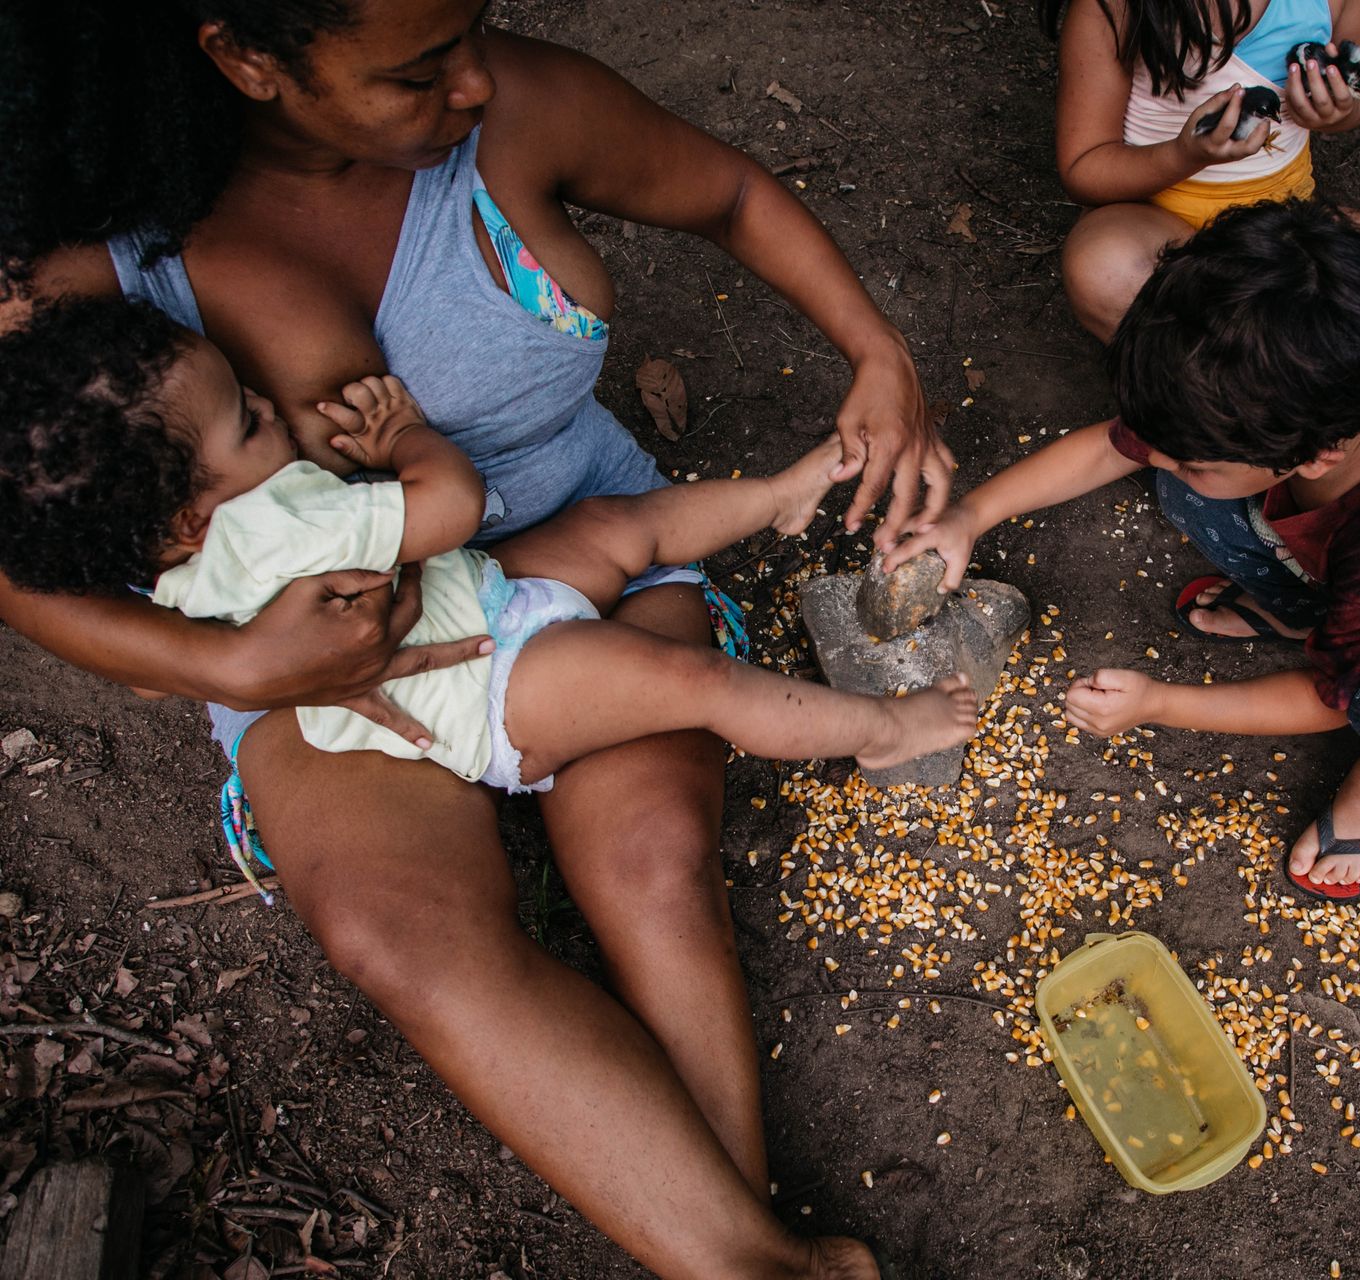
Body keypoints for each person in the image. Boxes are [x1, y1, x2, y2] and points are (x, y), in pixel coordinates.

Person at [0, 2, 945, 1274]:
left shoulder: (519, 109)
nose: (474, 80)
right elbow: (22, 553)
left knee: (652, 857)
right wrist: (232, 664)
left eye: (473, 28)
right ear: (243, 57)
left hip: (586, 544)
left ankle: (748, 1258)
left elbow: (728, 193)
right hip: (315, 668)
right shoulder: (72, 258)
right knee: (397, 932)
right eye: (416, 70)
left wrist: (876, 348)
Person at [0, 300, 978, 805]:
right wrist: (404, 439)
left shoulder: (184, 582)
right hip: (494, 689)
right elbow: (451, 507)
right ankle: (881, 727)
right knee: (691, 672)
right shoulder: (267, 521)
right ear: (190, 517)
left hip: (484, 613)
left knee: (614, 531)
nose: (267, 407)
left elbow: (149, 681)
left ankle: (779, 500)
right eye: (246, 421)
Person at [889, 201, 1360, 901]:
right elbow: (1115, 447)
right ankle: (1306, 611)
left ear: (1317, 455)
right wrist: (970, 516)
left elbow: (1328, 699)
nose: (1159, 459)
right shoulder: (1294, 394)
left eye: (1195, 456)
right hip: (1358, 563)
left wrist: (1159, 703)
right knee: (1193, 491)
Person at [1044, 0, 1360, 360]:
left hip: (1288, 227)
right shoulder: (1112, 8)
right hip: (1157, 222)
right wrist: (1183, 155)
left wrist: (1342, 110)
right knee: (1104, 268)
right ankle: (1310, 366)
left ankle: (1250, 374)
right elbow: (1084, 169)